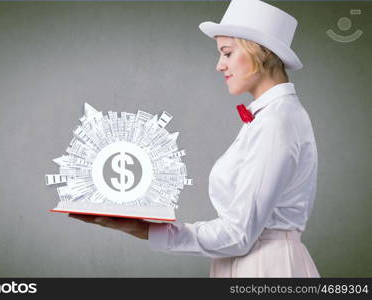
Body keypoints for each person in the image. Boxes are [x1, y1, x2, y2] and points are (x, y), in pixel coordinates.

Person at [69, 0, 320, 277]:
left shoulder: (276, 122)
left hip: (265, 269)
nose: (219, 66)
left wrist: (144, 229)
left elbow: (237, 235)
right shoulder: (272, 116)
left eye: (226, 53)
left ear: (261, 52)